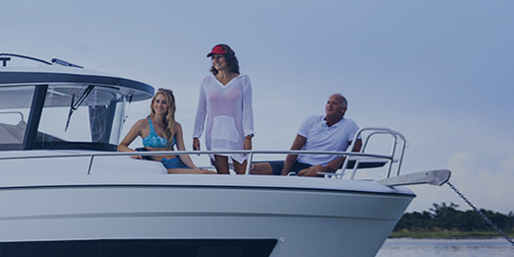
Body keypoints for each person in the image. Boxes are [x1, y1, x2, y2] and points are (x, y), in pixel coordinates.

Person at [259, 93, 361, 176]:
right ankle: (293, 177)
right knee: (253, 168)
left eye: (334, 103)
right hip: (297, 164)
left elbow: (357, 152)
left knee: (317, 171)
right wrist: (284, 174)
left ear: (344, 109)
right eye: (328, 102)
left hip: (319, 169)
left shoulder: (349, 125)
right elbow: (295, 148)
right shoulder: (311, 120)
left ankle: (295, 178)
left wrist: (341, 160)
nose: (329, 105)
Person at [193, 44, 253, 174]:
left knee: (243, 177)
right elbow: (201, 111)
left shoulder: (243, 81)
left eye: (219, 57)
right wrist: (196, 136)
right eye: (213, 58)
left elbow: (247, 111)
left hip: (237, 135)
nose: (215, 60)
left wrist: (248, 136)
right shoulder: (207, 81)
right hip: (214, 136)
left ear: (228, 58)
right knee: (223, 178)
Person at [116, 88, 209, 172]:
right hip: (163, 168)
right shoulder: (142, 124)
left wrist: (194, 168)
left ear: (169, 106)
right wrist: (132, 152)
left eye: (164, 102)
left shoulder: (176, 126)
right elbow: (121, 146)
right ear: (153, 103)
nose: (159, 105)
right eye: (157, 101)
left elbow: (183, 153)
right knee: (204, 173)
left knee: (211, 173)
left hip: (178, 163)